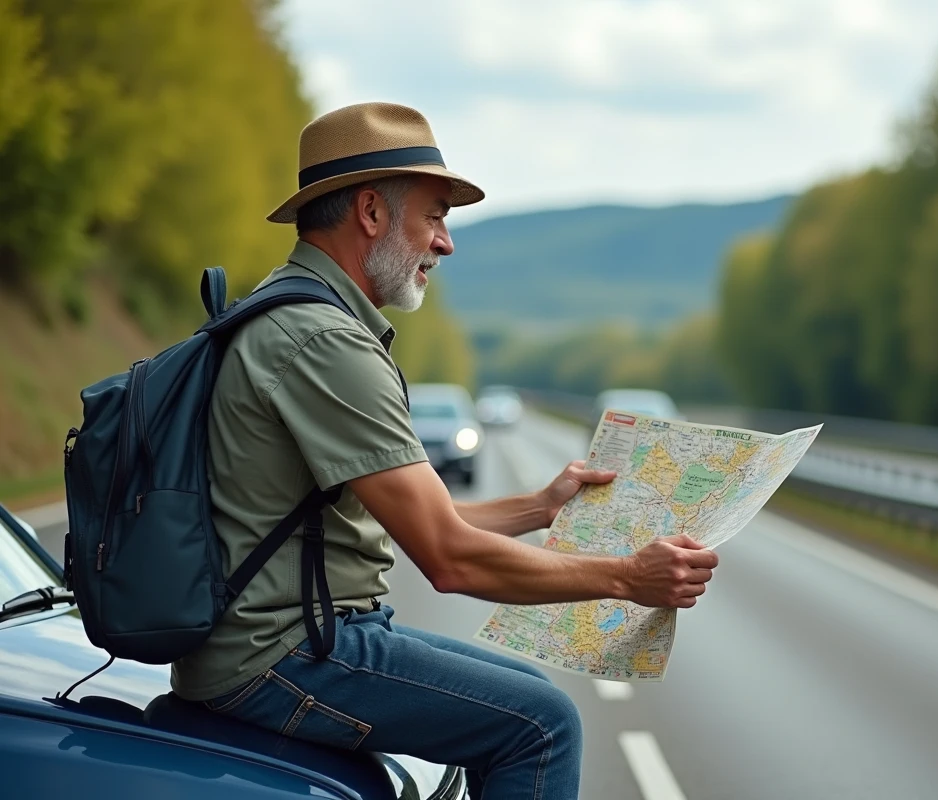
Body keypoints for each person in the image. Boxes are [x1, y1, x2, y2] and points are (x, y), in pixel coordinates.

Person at [170, 102, 718, 800]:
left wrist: (540, 506)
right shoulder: (325, 342)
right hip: (279, 655)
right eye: (434, 215)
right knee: (543, 724)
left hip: (289, 637)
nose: (446, 243)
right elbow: (448, 559)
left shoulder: (296, 312)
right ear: (370, 210)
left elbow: (419, 521)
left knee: (524, 688)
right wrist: (626, 579)